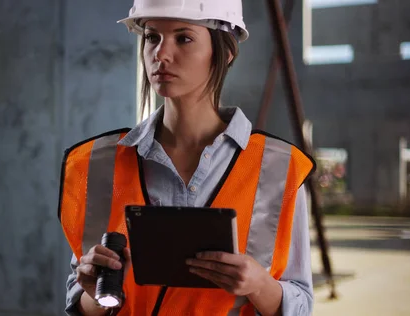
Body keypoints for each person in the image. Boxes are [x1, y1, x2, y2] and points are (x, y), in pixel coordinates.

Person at [57, 0, 315, 315]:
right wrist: (93, 293)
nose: (160, 54)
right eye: (152, 37)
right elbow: (81, 303)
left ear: (226, 51)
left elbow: (301, 305)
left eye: (184, 38)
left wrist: (260, 285)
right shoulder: (97, 164)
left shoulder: (277, 168)